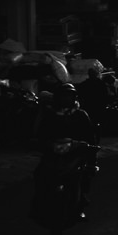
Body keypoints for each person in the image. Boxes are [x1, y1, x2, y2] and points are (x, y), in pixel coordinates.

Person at [35, 81, 100, 215]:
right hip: (55, 152)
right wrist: (42, 143)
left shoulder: (80, 115)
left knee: (85, 172)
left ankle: (81, 198)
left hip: (75, 152)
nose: (66, 99)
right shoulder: (51, 115)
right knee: (40, 172)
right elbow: (42, 133)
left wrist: (87, 148)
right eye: (63, 96)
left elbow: (90, 136)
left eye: (69, 96)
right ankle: (38, 201)